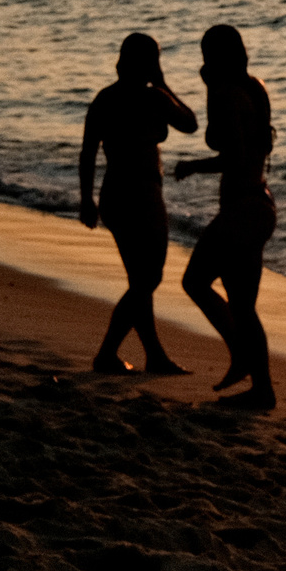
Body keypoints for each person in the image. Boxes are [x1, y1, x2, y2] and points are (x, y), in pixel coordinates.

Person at [80, 33, 200, 375]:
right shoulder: (154, 98)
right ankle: (106, 354)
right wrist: (164, 83)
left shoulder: (106, 98)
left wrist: (87, 198)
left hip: (114, 193)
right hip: (141, 194)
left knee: (140, 279)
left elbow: (88, 152)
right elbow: (190, 124)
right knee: (148, 278)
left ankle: (155, 356)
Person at [173, 23, 278, 408]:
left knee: (196, 281)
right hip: (260, 203)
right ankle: (262, 390)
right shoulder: (256, 88)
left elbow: (227, 151)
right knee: (244, 306)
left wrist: (191, 166)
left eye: (206, 56)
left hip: (242, 210)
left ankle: (241, 358)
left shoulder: (227, 95)